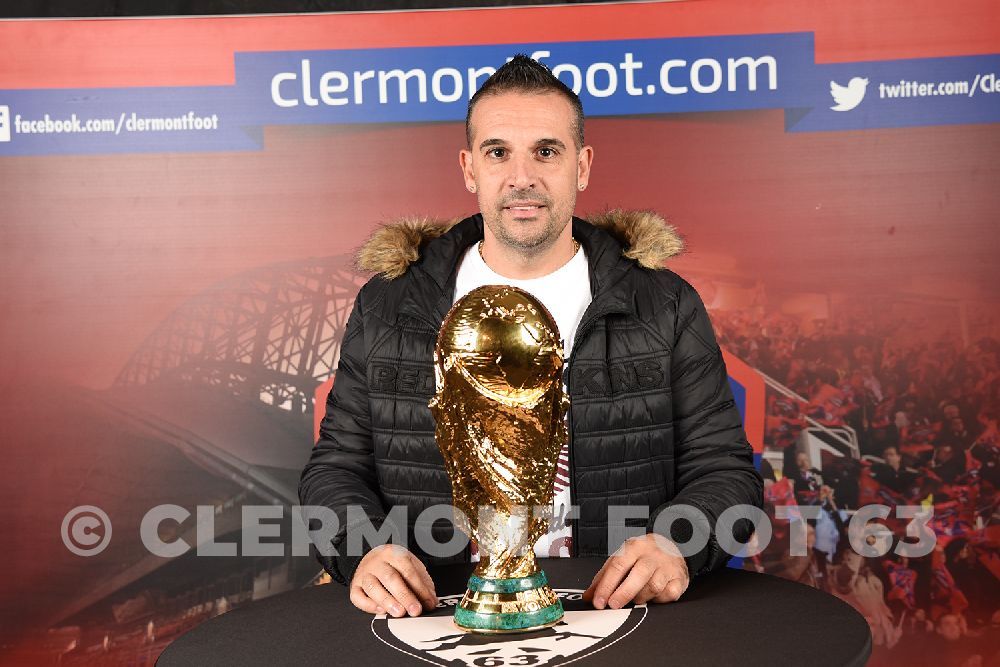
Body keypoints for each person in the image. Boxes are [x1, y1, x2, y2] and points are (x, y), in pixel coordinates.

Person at [298, 54, 763, 619]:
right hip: (435, 619)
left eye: (547, 151)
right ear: (469, 168)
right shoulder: (392, 304)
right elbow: (337, 469)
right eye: (499, 153)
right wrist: (362, 553)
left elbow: (724, 469)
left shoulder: (660, 303)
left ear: (582, 166)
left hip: (614, 619)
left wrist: (678, 546)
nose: (523, 177)